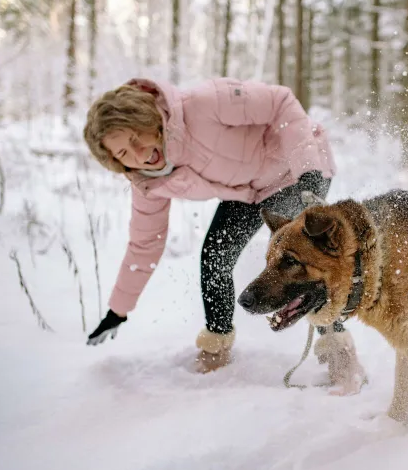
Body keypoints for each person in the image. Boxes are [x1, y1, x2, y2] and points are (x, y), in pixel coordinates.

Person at [82, 77, 367, 389]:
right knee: (216, 255)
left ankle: (339, 352)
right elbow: (144, 244)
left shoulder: (202, 105)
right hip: (250, 191)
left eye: (137, 137)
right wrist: (117, 310)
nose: (138, 153)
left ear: (149, 118)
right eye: (124, 152)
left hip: (295, 170)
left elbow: (280, 102)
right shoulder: (149, 182)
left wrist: (308, 170)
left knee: (308, 258)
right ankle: (216, 348)